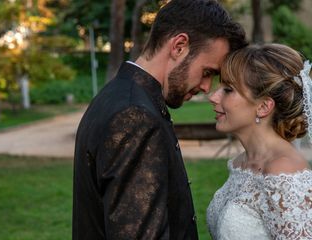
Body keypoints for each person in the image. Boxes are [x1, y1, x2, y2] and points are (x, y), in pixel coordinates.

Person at [73, 0, 247, 239]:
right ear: (179, 46)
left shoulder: (116, 95)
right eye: (207, 72)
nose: (207, 87)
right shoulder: (135, 117)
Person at [207, 43, 312, 240]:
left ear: (264, 106)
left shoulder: (283, 170)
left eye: (228, 90)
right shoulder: (241, 162)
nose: (213, 97)